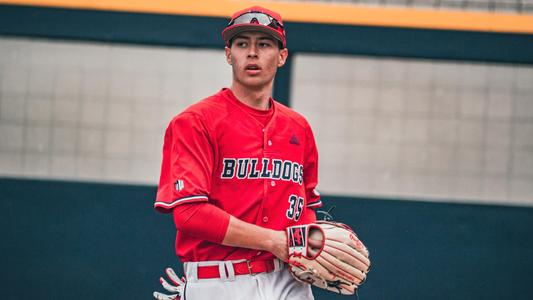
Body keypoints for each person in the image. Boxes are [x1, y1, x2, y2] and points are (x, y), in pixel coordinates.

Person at [153, 6, 321, 300]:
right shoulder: (196, 122)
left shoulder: (299, 127)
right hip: (222, 280)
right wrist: (274, 241)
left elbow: (305, 205)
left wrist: (314, 245)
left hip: (288, 280)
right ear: (229, 54)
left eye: (265, 44)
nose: (252, 53)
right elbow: (190, 214)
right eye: (242, 44)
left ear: (282, 56)